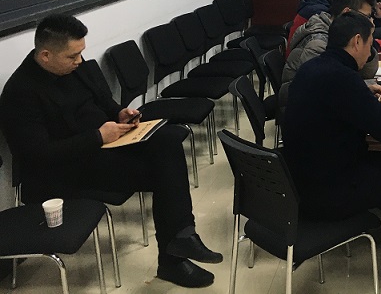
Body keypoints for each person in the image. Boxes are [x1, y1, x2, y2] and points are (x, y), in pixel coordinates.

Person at [0, 14, 222, 288]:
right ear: (45, 55)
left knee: (167, 141)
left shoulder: (73, 68)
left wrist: (119, 113)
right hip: (66, 170)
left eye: (80, 53)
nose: (79, 61)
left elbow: (101, 100)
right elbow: (37, 157)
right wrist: (97, 137)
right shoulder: (20, 93)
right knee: (163, 171)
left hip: (104, 145)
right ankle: (174, 256)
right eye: (72, 56)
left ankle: (183, 236)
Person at [281, 11, 381, 281]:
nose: (372, 51)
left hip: (299, 182)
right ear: (357, 41)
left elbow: (342, 105)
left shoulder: (313, 68)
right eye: (371, 42)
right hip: (327, 194)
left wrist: (370, 92)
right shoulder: (343, 78)